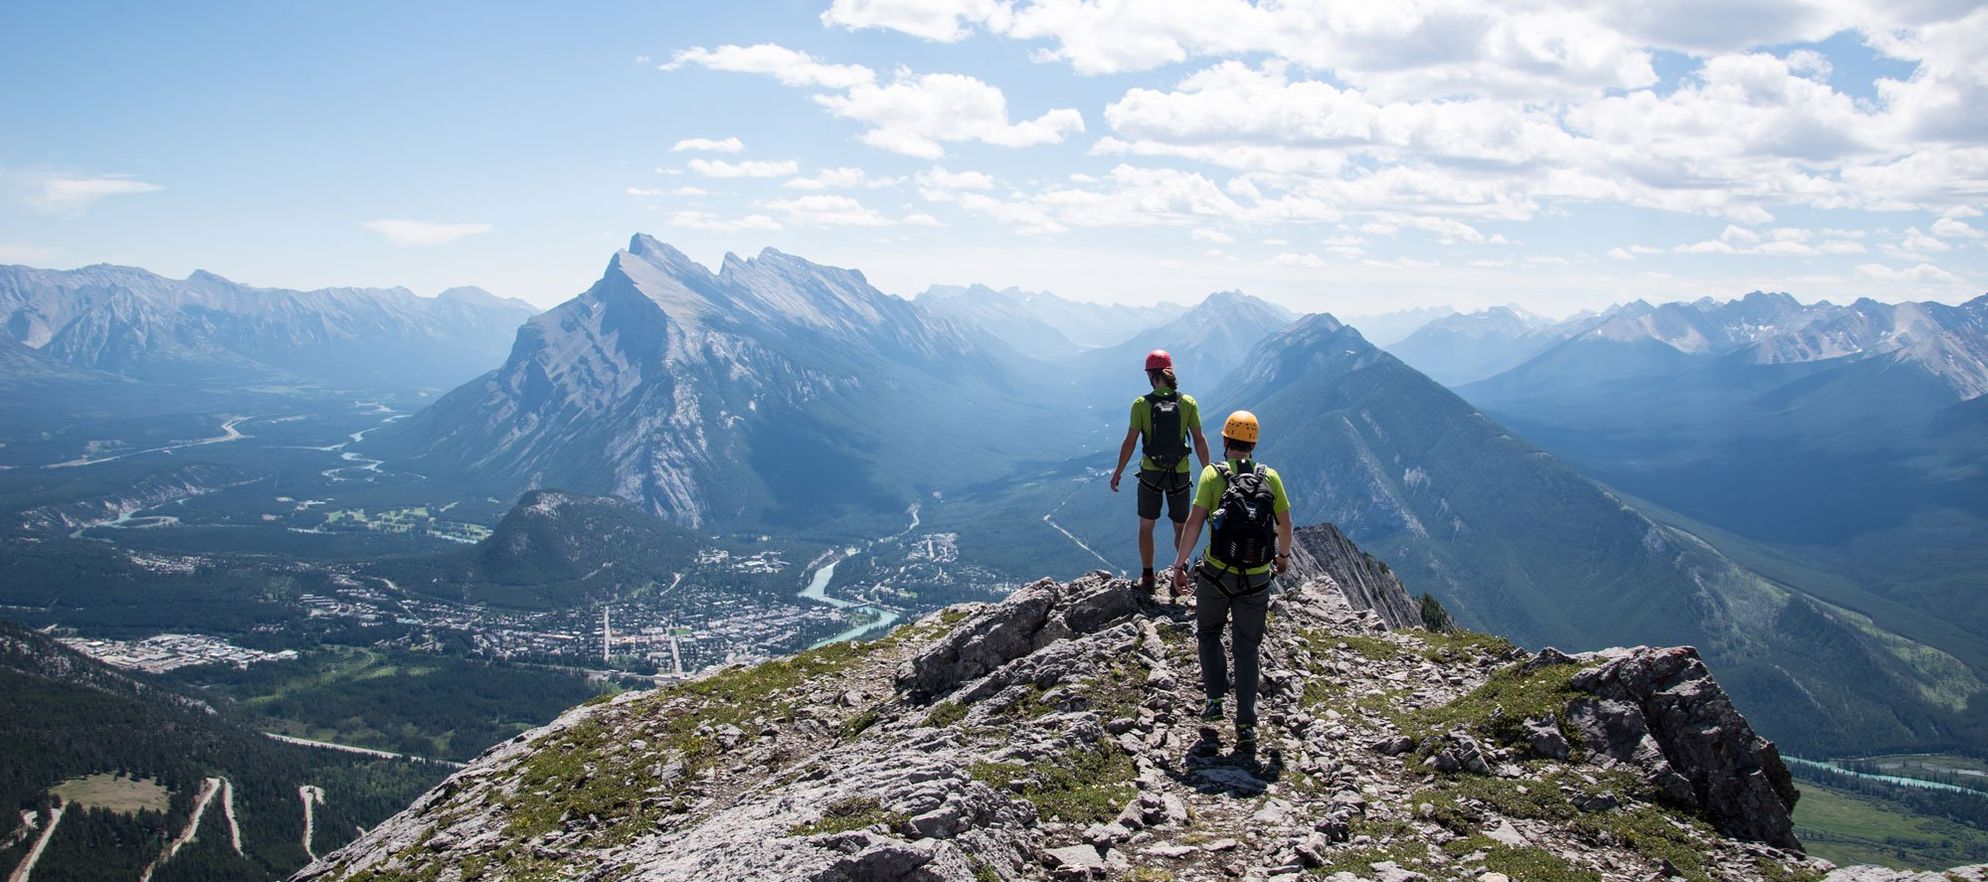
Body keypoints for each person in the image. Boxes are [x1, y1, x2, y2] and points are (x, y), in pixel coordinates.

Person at [1167, 410, 1294, 748]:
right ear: (1253, 443)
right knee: (1247, 647)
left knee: (1209, 632)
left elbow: (1194, 524)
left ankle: (1214, 701)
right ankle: (1247, 724)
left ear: (1225, 441)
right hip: (1256, 578)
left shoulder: (1212, 475)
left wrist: (1180, 565)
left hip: (1217, 575)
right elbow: (1285, 525)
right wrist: (1281, 559)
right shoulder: (1272, 478)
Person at [1109, 350, 1210, 593]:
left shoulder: (1141, 404)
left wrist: (1118, 471)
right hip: (1180, 473)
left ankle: (1148, 577)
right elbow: (1198, 439)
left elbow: (1130, 442)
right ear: (1170, 372)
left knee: (1146, 526)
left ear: (1150, 375)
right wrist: (1208, 471)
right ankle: (1180, 574)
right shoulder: (1187, 402)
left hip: (1151, 473)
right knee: (1180, 527)